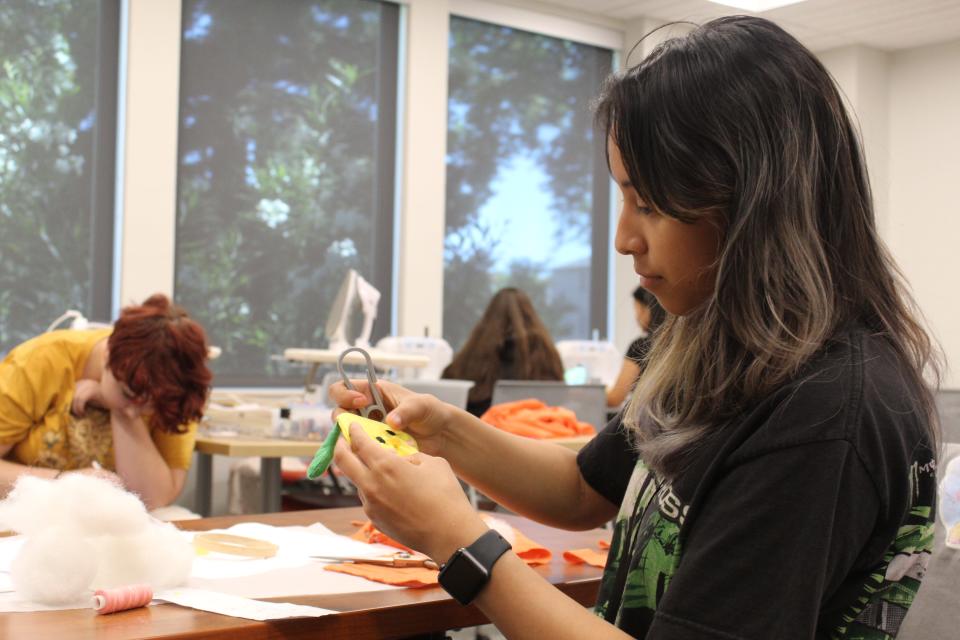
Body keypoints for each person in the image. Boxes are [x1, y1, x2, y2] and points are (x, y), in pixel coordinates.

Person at [329, 16, 940, 639]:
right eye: (624, 197)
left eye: (648, 204)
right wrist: (445, 433)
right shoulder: (722, 349)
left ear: (755, 206)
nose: (624, 239)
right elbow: (583, 490)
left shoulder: (822, 416)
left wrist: (459, 543)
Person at [0, 294, 212, 509]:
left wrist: (119, 411)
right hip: (25, 511)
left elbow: (154, 499)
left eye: (151, 405)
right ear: (107, 355)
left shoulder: (175, 390)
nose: (137, 410)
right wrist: (64, 482)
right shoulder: (40, 361)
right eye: (129, 395)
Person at [442, 287, 564, 417]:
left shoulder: (470, 358)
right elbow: (559, 396)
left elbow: (450, 392)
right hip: (536, 433)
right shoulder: (545, 356)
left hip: (478, 433)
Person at [606, 286, 665, 407]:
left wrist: (595, 391)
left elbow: (615, 398)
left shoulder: (640, 347)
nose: (636, 318)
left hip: (647, 421)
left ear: (648, 310)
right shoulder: (676, 343)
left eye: (637, 310)